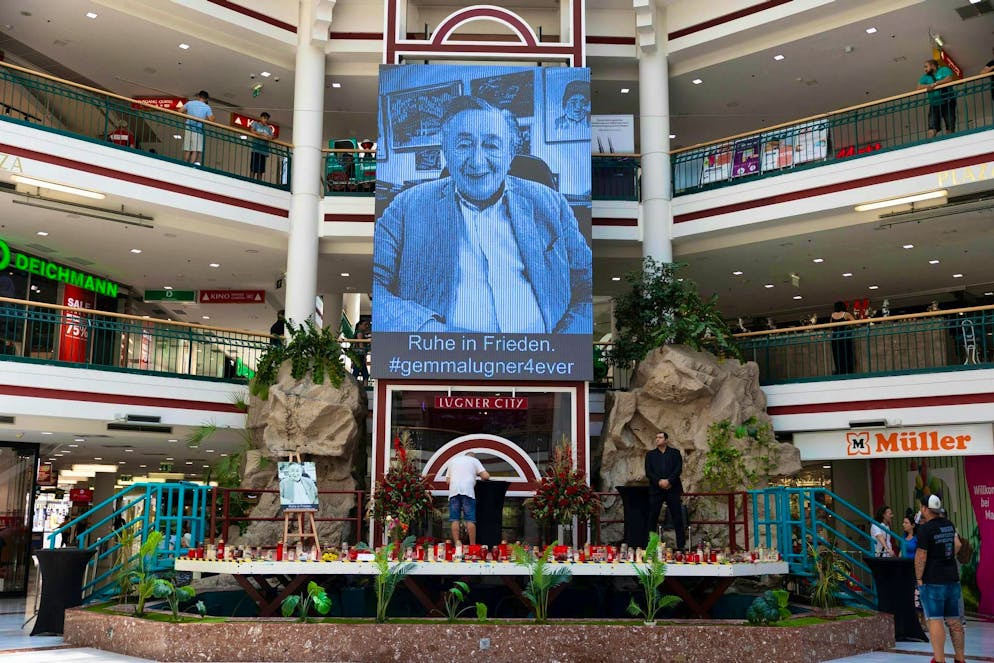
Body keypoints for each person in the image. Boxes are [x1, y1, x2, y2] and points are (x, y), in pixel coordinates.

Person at [373, 95, 592, 334]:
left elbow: (588, 285)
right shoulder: (405, 206)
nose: (477, 162)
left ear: (510, 155)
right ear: (445, 151)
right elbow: (374, 283)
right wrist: (425, 329)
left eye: (492, 145)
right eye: (464, 145)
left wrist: (564, 343)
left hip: (540, 363)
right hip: (441, 363)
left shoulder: (552, 205)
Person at [915, 494, 965, 663]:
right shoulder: (949, 525)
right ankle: (960, 658)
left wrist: (919, 578)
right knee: (954, 621)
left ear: (924, 509)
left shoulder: (925, 529)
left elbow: (921, 555)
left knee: (935, 620)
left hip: (933, 580)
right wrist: (947, 557)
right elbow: (957, 545)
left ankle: (940, 659)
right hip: (952, 578)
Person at [645, 431, 686, 551]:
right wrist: (659, 482)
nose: (657, 439)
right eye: (656, 437)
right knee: (652, 518)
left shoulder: (675, 453)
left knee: (677, 517)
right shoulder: (650, 455)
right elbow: (648, 472)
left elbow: (678, 469)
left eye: (660, 437)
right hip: (656, 490)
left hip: (672, 489)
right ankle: (651, 546)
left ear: (666, 440)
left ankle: (681, 546)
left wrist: (669, 481)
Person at [446, 452, 489, 546]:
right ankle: (472, 546)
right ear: (472, 456)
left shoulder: (453, 461)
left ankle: (457, 543)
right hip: (468, 491)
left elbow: (448, 481)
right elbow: (486, 476)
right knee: (470, 519)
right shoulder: (474, 460)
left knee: (454, 519)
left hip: (454, 492)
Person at [918, 59, 956, 139]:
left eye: (926, 67)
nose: (925, 69)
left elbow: (949, 79)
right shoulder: (925, 77)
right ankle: (930, 146)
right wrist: (928, 86)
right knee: (931, 128)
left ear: (933, 66)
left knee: (950, 126)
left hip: (948, 102)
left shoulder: (944, 70)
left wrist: (936, 84)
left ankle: (950, 145)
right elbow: (919, 87)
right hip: (934, 104)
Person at [181, 90, 215, 164]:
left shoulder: (190, 103)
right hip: (197, 129)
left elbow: (179, 111)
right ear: (206, 99)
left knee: (188, 149)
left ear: (198, 96)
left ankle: (184, 163)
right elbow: (212, 119)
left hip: (188, 127)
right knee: (195, 149)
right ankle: (191, 165)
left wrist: (186, 116)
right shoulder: (206, 107)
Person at [830, 301, 856, 375]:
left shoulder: (832, 315)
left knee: (837, 355)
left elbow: (831, 326)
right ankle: (848, 371)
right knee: (847, 354)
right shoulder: (846, 314)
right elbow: (855, 323)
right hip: (845, 337)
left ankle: (839, 371)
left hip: (835, 338)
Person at [249, 112, 274, 180]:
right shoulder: (256, 124)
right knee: (253, 168)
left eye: (266, 119)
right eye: (264, 118)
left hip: (263, 151)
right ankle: (250, 182)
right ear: (261, 118)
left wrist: (267, 136)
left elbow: (271, 137)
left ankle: (259, 184)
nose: (265, 120)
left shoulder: (268, 128)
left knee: (260, 170)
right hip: (256, 149)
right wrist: (262, 134)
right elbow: (252, 131)